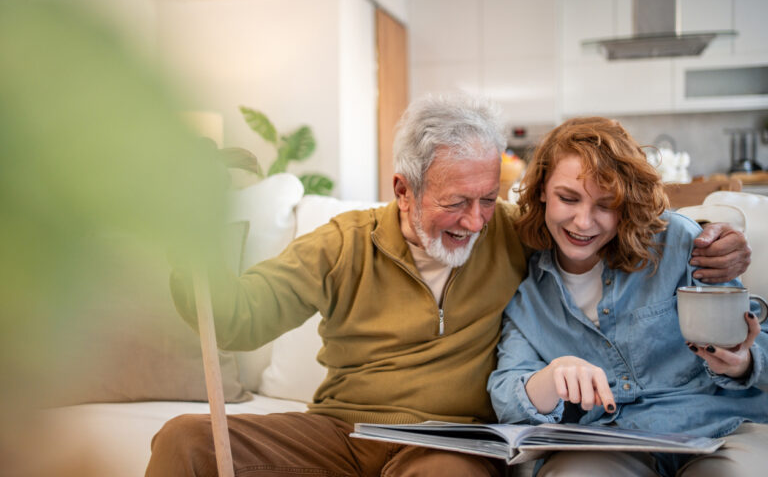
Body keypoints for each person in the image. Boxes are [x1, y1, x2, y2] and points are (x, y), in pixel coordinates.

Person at [147, 98, 750, 477]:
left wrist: (716, 240)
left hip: (448, 444)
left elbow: (608, 221)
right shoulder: (342, 244)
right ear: (403, 189)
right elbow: (241, 317)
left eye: (488, 198)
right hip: (343, 430)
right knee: (185, 440)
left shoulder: (518, 233)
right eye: (455, 201)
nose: (475, 219)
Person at [487, 117, 768, 477]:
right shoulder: (530, 297)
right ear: (542, 189)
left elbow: (755, 347)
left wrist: (741, 362)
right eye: (568, 198)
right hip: (610, 440)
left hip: (716, 428)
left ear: (627, 201)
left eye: (606, 205)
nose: (583, 222)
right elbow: (507, 394)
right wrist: (551, 378)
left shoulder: (682, 243)